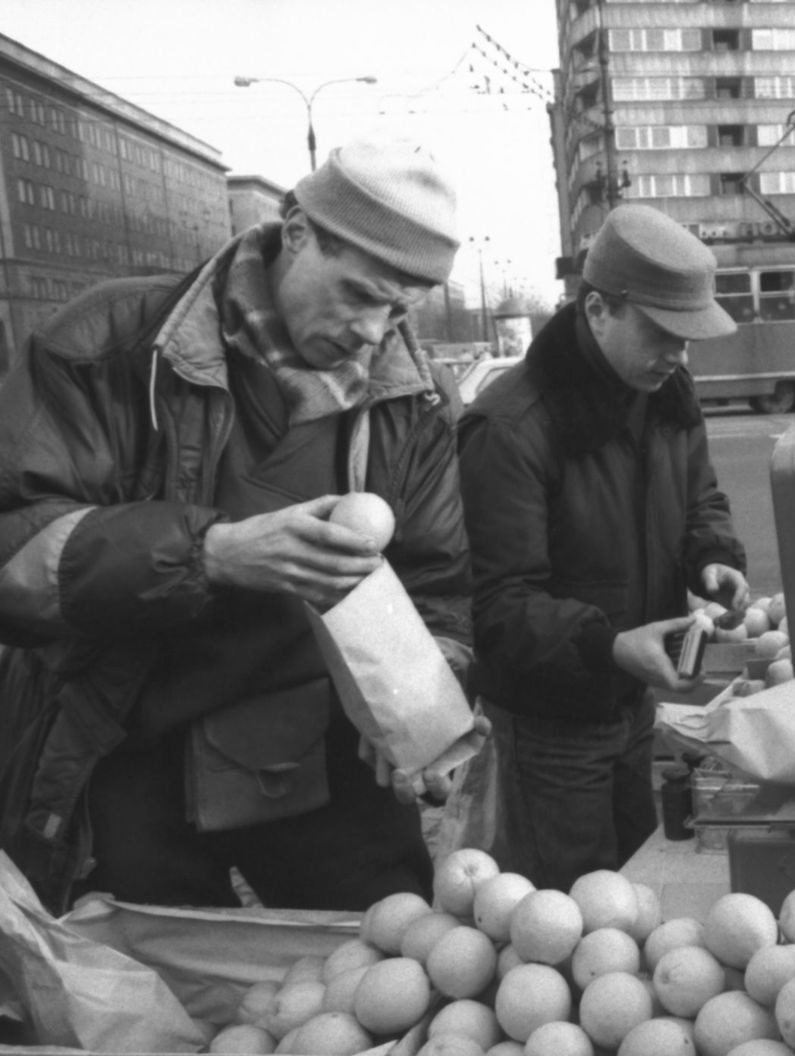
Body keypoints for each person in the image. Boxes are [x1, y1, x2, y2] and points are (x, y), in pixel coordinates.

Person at [0, 136, 476, 914]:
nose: (373, 330)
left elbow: (438, 583)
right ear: (295, 233)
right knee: (155, 997)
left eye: (400, 307)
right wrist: (213, 553)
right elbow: (13, 545)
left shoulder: (415, 398)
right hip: (125, 748)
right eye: (358, 294)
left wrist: (424, 700)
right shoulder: (111, 344)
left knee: (391, 973)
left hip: (325, 758)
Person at [458, 203, 749, 892]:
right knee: (566, 923)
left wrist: (714, 559)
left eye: (689, 338)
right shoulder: (510, 427)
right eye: (661, 332)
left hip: (630, 708)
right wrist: (610, 645)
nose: (679, 355)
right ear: (597, 310)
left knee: (633, 897)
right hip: (548, 730)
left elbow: (699, 497)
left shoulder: (664, 389)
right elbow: (498, 606)